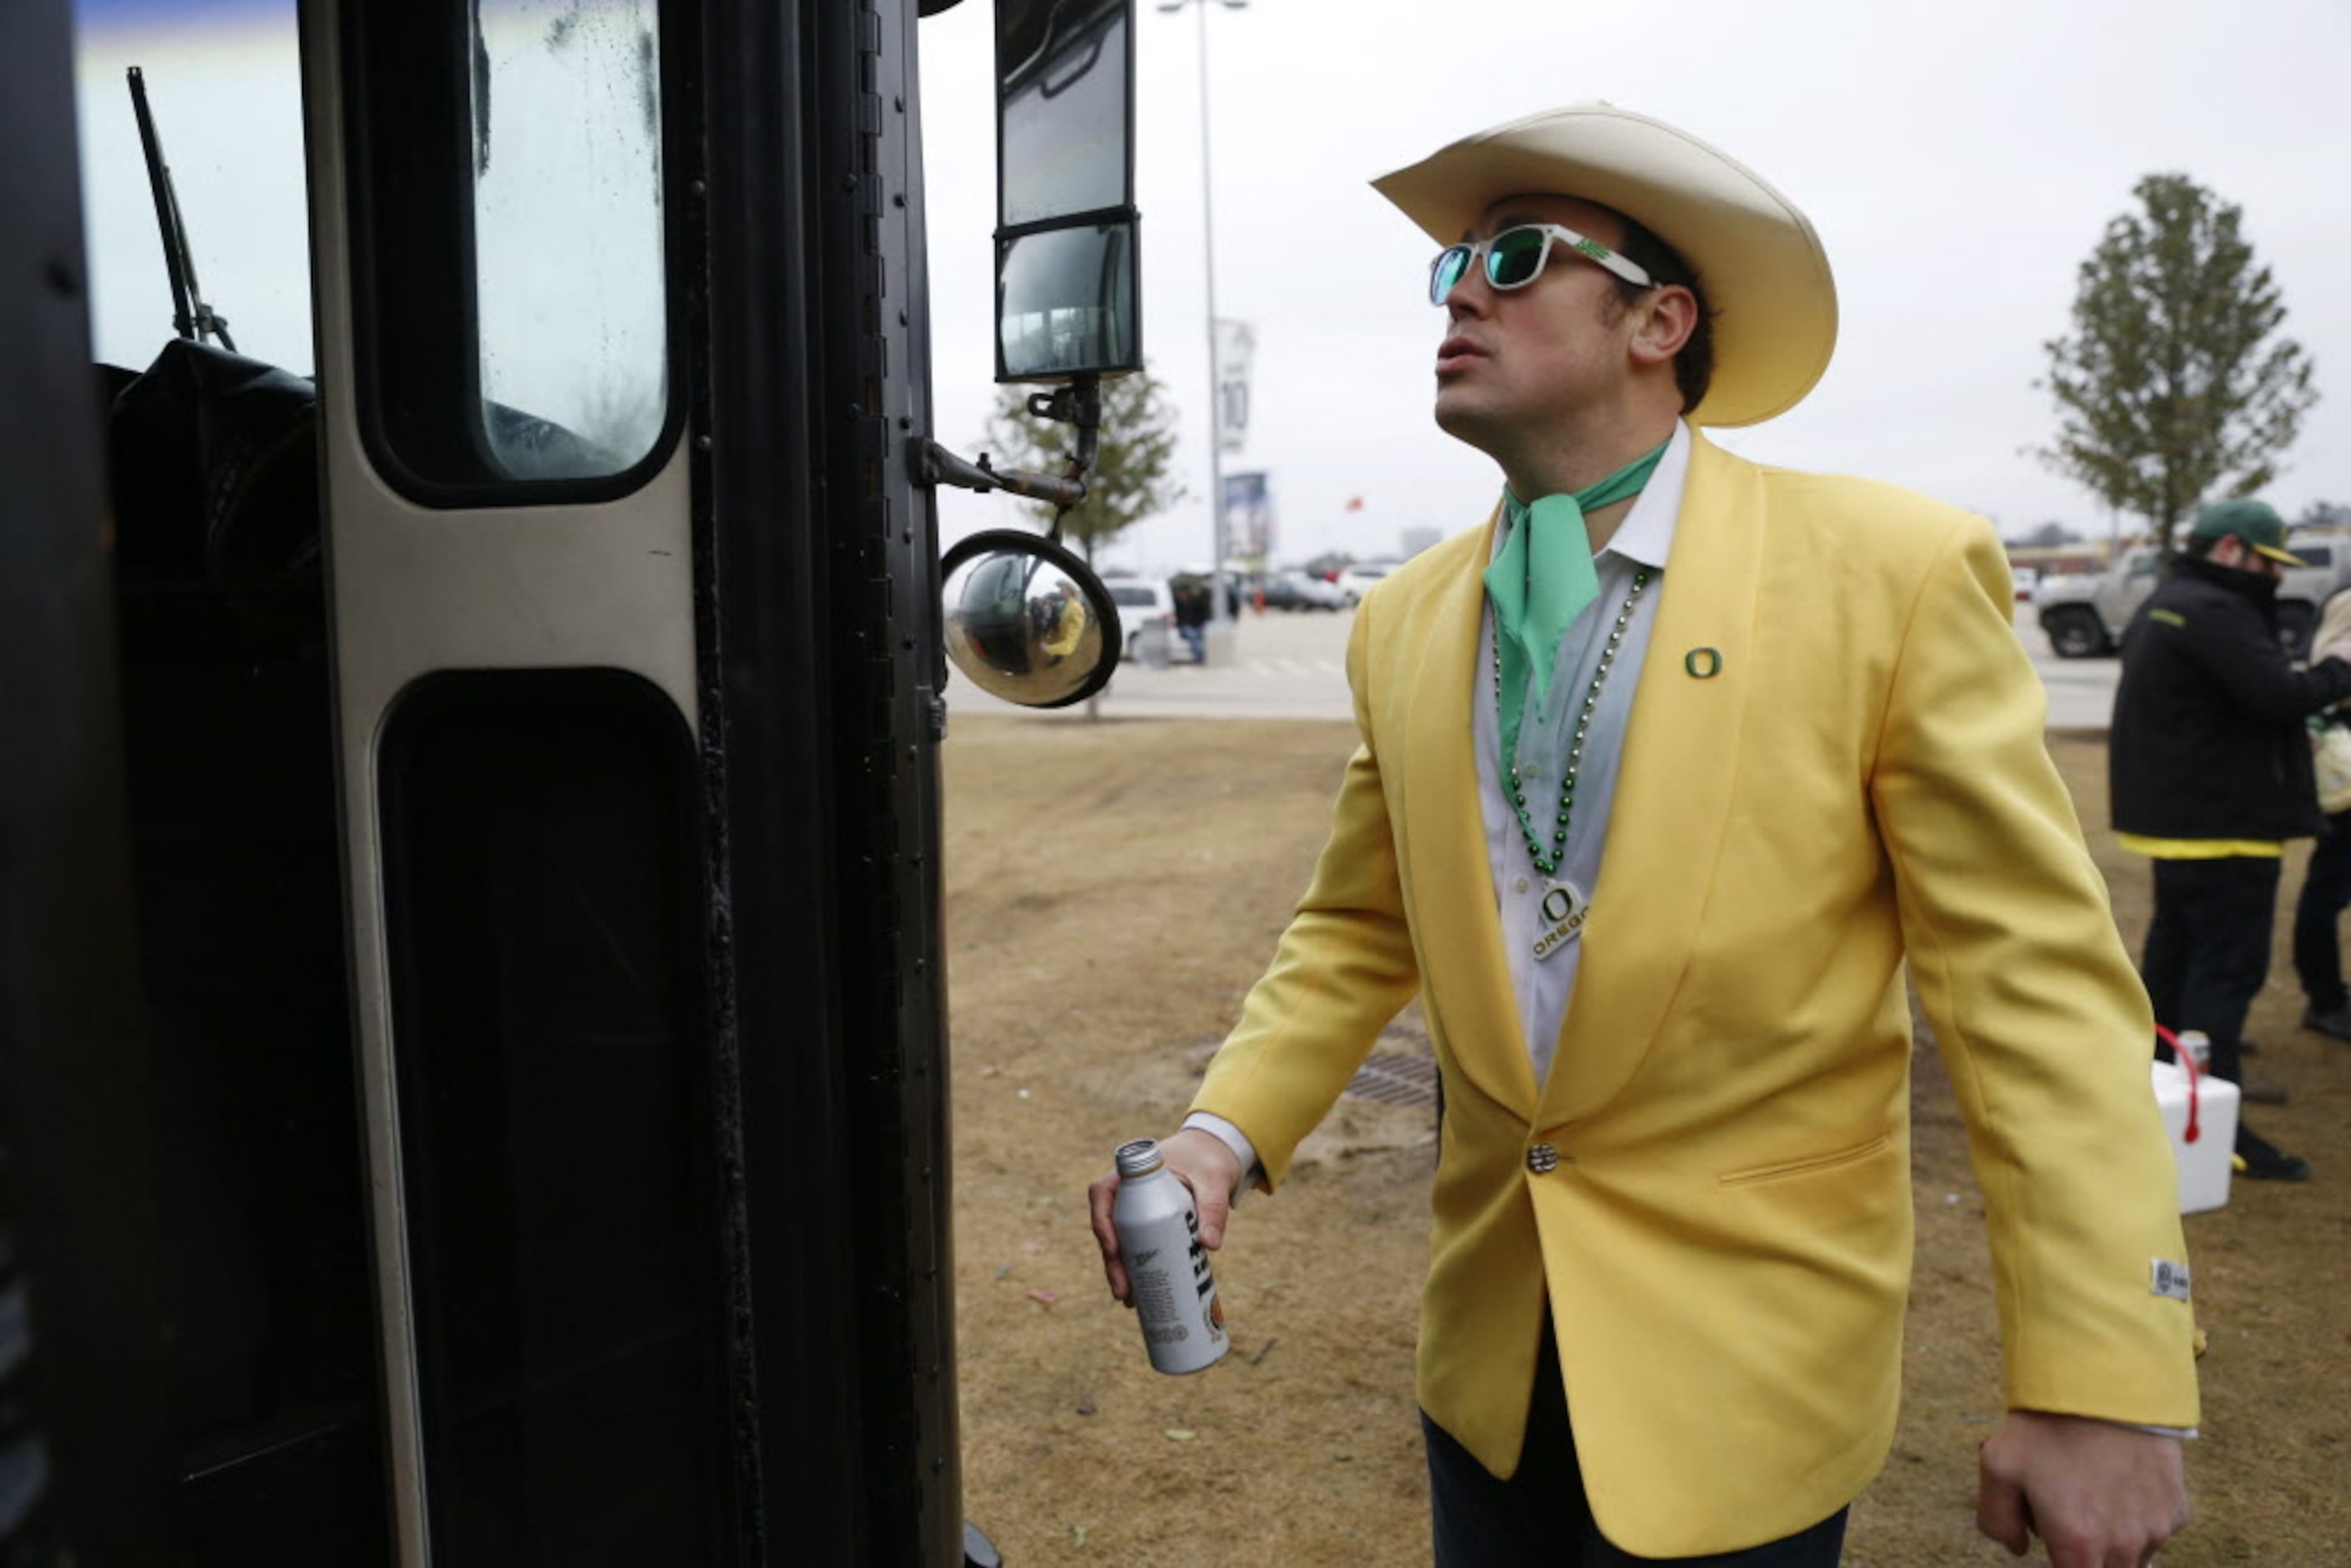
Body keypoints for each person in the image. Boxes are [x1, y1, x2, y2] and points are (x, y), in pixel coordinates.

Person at [1086, 103, 2200, 1568]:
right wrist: (1222, 1132)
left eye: (1518, 255)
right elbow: (1363, 926)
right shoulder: (1405, 615)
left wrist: (2099, 1377)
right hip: (1487, 1366)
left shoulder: (1891, 571)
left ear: (1659, 319)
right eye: (1450, 267)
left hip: (1749, 1371)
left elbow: (2033, 990)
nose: (1460, 289)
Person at [2110, 499, 2351, 1182]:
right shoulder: (2215, 610)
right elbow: (2277, 693)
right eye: (2266, 562)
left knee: (2174, 969)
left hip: (2184, 822)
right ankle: (2224, 1132)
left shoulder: (2171, 600)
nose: (2274, 577)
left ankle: (2154, 1093)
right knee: (2224, 977)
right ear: (2229, 552)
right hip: (2226, 828)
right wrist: (2341, 665)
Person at [2291, 583, 2351, 1042]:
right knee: (2329, 886)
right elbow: (2327, 673)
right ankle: (2324, 996)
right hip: (2345, 768)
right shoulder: (2347, 602)